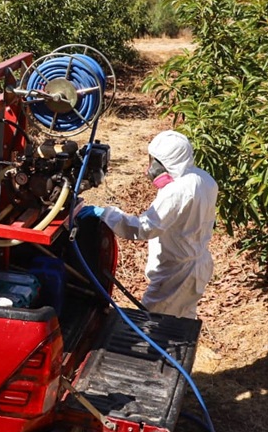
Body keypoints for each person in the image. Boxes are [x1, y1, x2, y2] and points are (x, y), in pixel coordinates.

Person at [75, 130, 218, 320]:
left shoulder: (177, 191)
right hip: (198, 265)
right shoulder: (203, 178)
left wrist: (106, 214)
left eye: (154, 161)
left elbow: (144, 228)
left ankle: (159, 351)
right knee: (182, 322)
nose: (150, 167)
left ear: (168, 162)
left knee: (153, 326)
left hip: (176, 275)